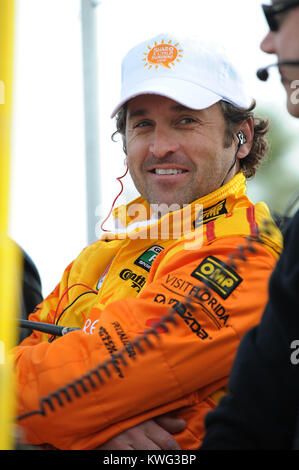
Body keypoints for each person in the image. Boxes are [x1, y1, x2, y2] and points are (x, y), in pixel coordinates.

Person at [12, 33, 282, 451]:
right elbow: (36, 377)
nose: (160, 146)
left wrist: (71, 422)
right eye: (142, 124)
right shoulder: (105, 251)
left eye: (185, 120)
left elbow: (59, 398)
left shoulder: (245, 253)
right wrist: (96, 428)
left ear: (241, 137)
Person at [201, 0, 299, 450]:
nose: (266, 40)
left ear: (240, 139)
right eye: (141, 124)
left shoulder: (257, 249)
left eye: (277, 12)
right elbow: (252, 415)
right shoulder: (96, 256)